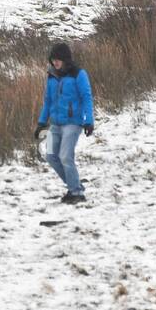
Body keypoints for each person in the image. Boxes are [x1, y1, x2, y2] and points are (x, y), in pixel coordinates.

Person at [34, 42, 94, 204]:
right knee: (51, 156)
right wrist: (41, 122)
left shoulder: (78, 74)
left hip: (72, 123)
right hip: (55, 124)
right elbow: (47, 101)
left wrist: (89, 121)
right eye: (53, 59)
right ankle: (75, 186)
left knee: (65, 156)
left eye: (58, 59)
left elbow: (86, 97)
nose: (55, 62)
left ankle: (77, 193)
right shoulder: (52, 76)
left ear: (65, 59)